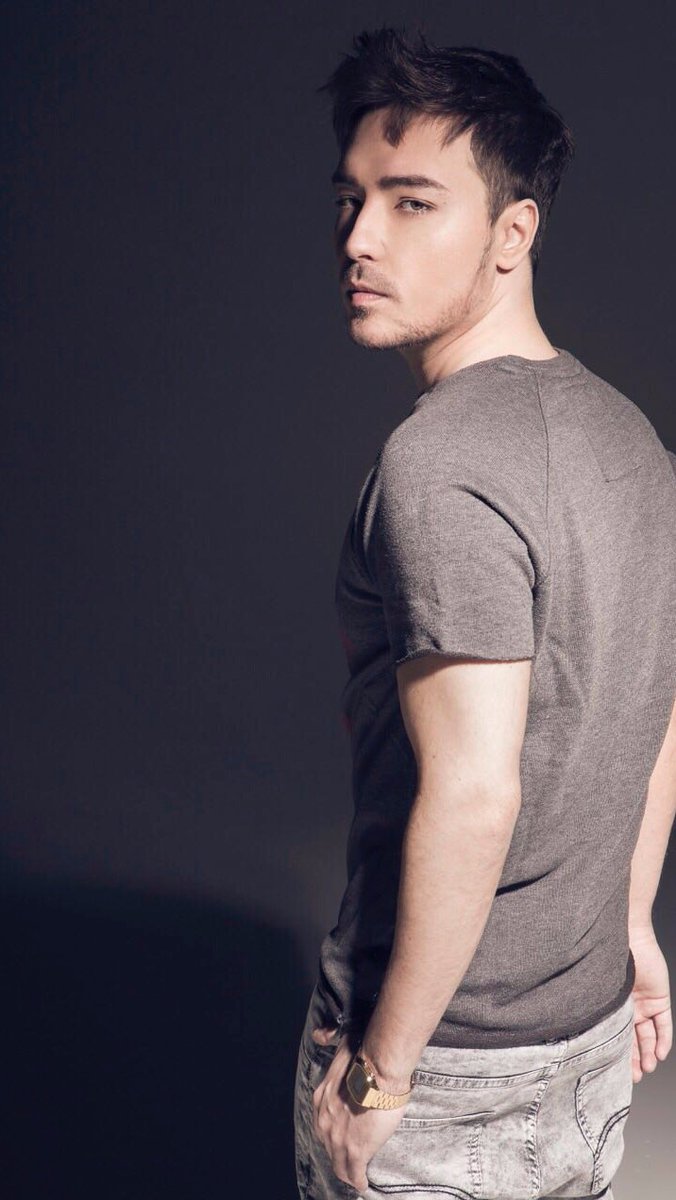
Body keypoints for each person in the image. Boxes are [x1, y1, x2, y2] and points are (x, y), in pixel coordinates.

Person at [293, 25, 676, 1200]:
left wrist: (380, 1079)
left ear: (514, 233)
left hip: (442, 1072)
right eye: (351, 199)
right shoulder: (632, 440)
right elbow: (656, 707)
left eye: (412, 203)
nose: (359, 238)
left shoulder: (437, 464)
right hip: (588, 1045)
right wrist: (631, 928)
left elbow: (472, 793)